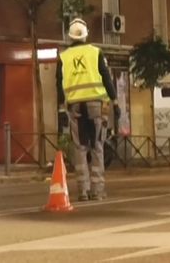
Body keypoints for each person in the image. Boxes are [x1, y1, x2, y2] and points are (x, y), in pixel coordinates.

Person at [56, 17, 117, 201]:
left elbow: (58, 84)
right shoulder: (95, 52)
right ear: (85, 34)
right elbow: (106, 77)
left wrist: (61, 109)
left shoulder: (63, 57)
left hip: (75, 107)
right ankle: (97, 190)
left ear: (70, 36)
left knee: (80, 147)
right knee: (97, 146)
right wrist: (115, 102)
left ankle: (83, 190)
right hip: (96, 105)